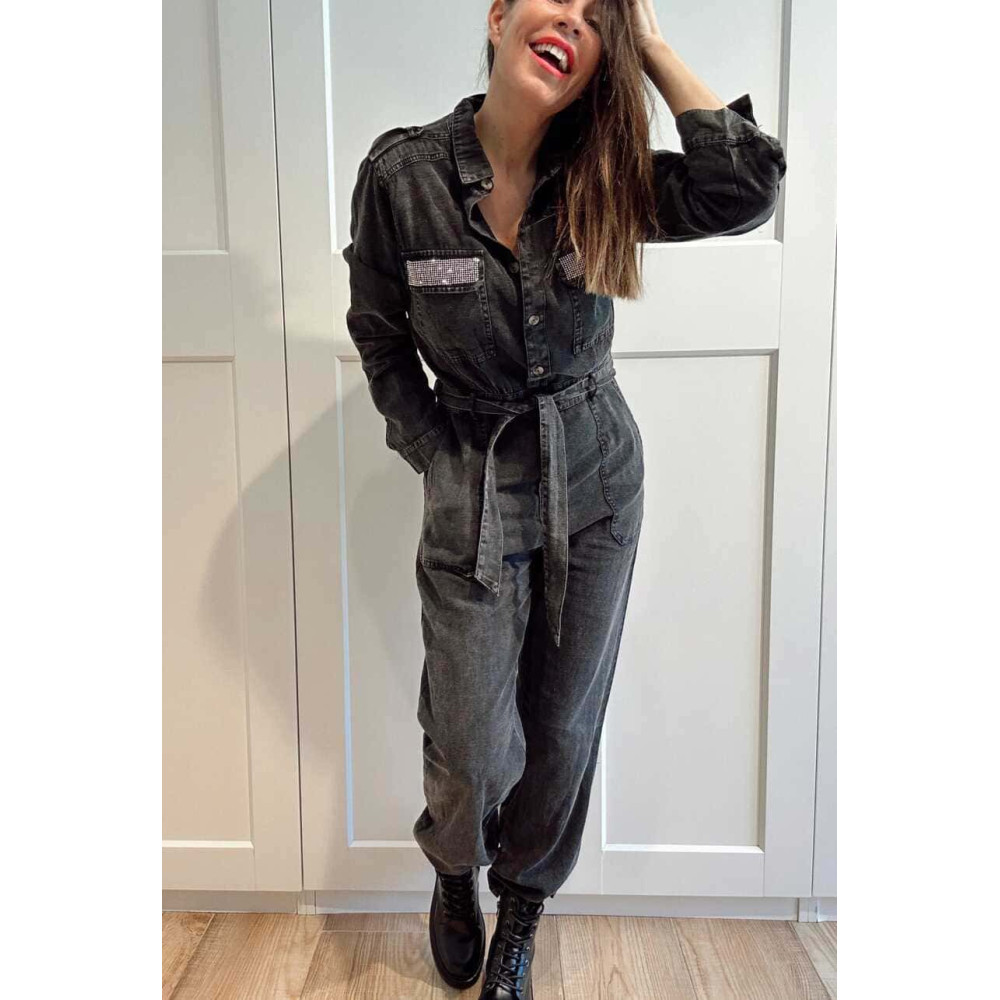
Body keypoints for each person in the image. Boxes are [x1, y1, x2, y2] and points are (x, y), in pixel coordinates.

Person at [343, 1, 787, 996]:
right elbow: (378, 332)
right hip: (474, 474)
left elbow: (746, 186)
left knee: (564, 722)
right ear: (500, 16)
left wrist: (653, 45)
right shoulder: (402, 175)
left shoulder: (606, 175)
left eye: (598, 20)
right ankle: (454, 866)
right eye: (558, 2)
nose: (574, 23)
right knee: (469, 736)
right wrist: (433, 450)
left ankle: (522, 910)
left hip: (597, 477)